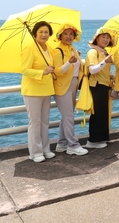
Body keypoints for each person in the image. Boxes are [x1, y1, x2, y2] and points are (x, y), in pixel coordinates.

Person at [21, 21, 56, 163]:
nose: (44, 34)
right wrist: (43, 71)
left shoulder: (48, 47)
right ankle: (35, 152)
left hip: (46, 89)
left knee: (45, 121)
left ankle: (45, 149)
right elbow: (24, 69)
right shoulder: (29, 47)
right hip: (33, 91)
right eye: (41, 32)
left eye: (46, 32)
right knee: (35, 122)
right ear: (35, 33)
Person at [52, 23, 88, 155]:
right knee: (68, 116)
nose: (68, 36)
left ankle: (62, 143)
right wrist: (69, 63)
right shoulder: (57, 50)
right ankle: (73, 145)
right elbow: (57, 72)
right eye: (65, 34)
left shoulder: (71, 49)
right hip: (62, 87)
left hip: (73, 84)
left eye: (71, 34)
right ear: (60, 36)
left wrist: (74, 58)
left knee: (66, 116)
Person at [85, 27, 117, 149]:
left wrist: (110, 75)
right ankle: (93, 140)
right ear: (96, 38)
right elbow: (92, 70)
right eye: (103, 37)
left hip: (104, 84)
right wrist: (105, 62)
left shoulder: (103, 52)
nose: (105, 40)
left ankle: (102, 137)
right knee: (97, 113)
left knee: (103, 112)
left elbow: (102, 70)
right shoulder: (93, 52)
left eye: (107, 38)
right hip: (96, 84)